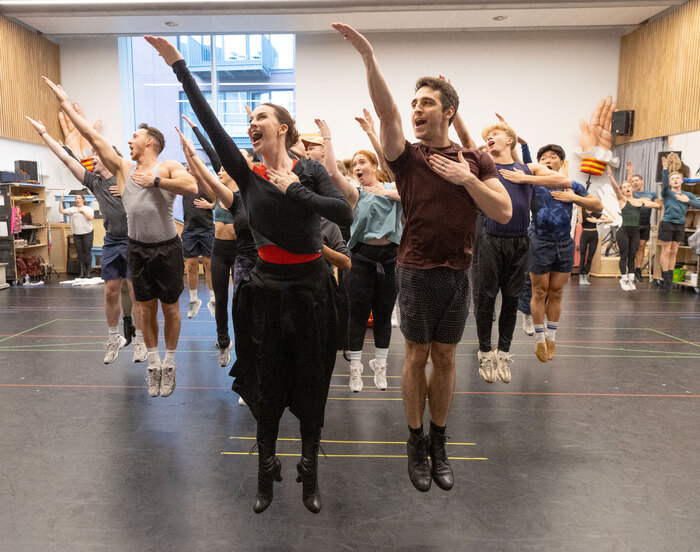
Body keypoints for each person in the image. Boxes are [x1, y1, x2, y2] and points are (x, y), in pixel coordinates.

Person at [147, 35, 352, 514]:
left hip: (313, 292)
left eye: (262, 116)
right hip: (265, 293)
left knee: (311, 381)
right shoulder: (245, 171)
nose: (253, 122)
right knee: (265, 382)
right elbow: (213, 124)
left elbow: (342, 214)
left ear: (283, 128)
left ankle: (308, 470)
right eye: (252, 118)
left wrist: (297, 191)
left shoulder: (309, 171)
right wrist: (179, 65)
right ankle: (266, 470)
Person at [333, 23, 511, 493]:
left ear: (448, 112)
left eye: (427, 102)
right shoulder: (405, 157)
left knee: (447, 358)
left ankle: (440, 441)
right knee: (415, 356)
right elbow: (386, 111)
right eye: (415, 103)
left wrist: (465, 181)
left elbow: (505, 209)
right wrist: (369, 59)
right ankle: (415, 441)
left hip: (457, 273)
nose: (417, 110)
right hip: (412, 270)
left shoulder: (475, 160)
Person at [43, 76, 197, 398]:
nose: (129, 141)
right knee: (144, 309)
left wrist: (156, 183)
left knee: (169, 310)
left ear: (150, 142)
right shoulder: (123, 168)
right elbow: (90, 135)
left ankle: (169, 363)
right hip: (136, 248)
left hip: (167, 248)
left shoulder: (167, 166)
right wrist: (65, 102)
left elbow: (192, 188)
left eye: (135, 136)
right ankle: (153, 364)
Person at [26, 116, 146, 364]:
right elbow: (67, 159)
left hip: (135, 241)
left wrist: (127, 190)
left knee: (136, 293)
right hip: (113, 241)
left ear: (110, 157)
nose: (92, 157)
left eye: (96, 154)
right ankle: (114, 338)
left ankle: (142, 341)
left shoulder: (129, 177)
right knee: (110, 291)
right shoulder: (95, 181)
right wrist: (43, 134)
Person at [476, 123, 571, 384]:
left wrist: (526, 179)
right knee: (485, 300)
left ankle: (503, 354)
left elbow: (563, 180)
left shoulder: (527, 169)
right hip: (491, 239)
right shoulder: (487, 166)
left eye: (494, 134)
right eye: (487, 137)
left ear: (510, 140)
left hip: (519, 241)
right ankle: (485, 352)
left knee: (511, 301)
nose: (489, 139)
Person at [314, 118, 403, 392]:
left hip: (390, 261)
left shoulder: (394, 190)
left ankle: (381, 364)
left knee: (384, 313)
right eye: (354, 165)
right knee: (356, 316)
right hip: (361, 260)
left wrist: (371, 132)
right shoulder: (356, 193)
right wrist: (327, 137)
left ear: (374, 166)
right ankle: (355, 369)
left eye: (362, 162)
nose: (358, 167)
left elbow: (397, 168)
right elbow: (331, 173)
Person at [529, 145, 603, 362]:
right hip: (540, 241)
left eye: (553, 158)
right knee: (540, 291)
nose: (548, 161)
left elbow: (598, 206)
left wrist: (575, 199)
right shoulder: (534, 185)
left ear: (561, 163)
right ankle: (539, 338)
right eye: (543, 158)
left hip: (564, 243)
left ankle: (551, 337)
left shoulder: (572, 185)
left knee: (557, 291)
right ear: (538, 164)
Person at [608, 166, 659, 291]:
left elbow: (655, 205)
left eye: (628, 186)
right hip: (624, 232)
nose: (627, 188)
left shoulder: (638, 200)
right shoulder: (622, 200)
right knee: (624, 255)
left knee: (632, 256)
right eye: (624, 187)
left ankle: (631, 279)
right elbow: (615, 188)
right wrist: (611, 176)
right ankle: (623, 279)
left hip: (635, 232)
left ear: (632, 188)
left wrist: (658, 204)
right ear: (622, 191)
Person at [658, 154, 700, 290]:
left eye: (677, 178)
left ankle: (670, 273)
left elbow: (698, 205)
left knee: (674, 251)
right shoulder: (667, 194)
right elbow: (664, 187)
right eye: (672, 179)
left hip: (680, 224)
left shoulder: (687, 195)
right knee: (666, 250)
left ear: (682, 181)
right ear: (670, 183)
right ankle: (666, 278)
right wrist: (665, 170)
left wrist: (688, 201)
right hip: (667, 223)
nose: (675, 180)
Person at [625, 162, 662, 282]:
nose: (635, 182)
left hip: (645, 224)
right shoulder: (631, 193)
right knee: (632, 248)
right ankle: (630, 270)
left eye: (637, 180)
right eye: (633, 181)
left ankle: (638, 270)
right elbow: (625, 187)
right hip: (633, 224)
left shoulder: (651, 193)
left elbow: (660, 206)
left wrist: (648, 202)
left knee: (641, 247)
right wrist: (630, 172)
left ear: (642, 181)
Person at [58, 191, 94, 279]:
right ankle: (82, 271)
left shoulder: (88, 208)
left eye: (79, 198)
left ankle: (88, 271)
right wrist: (61, 201)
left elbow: (91, 218)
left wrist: (82, 211)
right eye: (76, 198)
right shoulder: (72, 209)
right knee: (80, 253)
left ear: (83, 200)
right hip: (77, 234)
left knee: (87, 252)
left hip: (87, 233)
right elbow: (61, 211)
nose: (77, 200)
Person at [577, 206, 612, 285]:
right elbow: (580, 221)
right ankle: (581, 277)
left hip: (594, 235)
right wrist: (579, 210)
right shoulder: (582, 211)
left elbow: (610, 220)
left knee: (590, 257)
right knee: (582, 257)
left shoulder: (595, 213)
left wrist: (597, 220)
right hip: (585, 234)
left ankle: (586, 276)